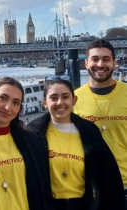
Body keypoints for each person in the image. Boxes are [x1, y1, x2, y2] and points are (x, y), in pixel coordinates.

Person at [26, 77, 125, 209]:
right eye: (54, 98)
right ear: (45, 102)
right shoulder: (32, 133)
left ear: (74, 100)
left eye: (65, 97)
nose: (60, 102)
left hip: (83, 205)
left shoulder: (90, 131)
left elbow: (107, 175)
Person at [0, 77, 54, 210]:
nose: (8, 107)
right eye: (3, 98)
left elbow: (43, 189)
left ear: (19, 109)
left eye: (15, 103)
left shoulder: (34, 143)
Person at [73, 39, 127, 206]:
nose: (100, 64)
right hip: (90, 187)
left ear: (114, 63)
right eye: (95, 59)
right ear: (86, 62)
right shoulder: (73, 99)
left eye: (106, 59)